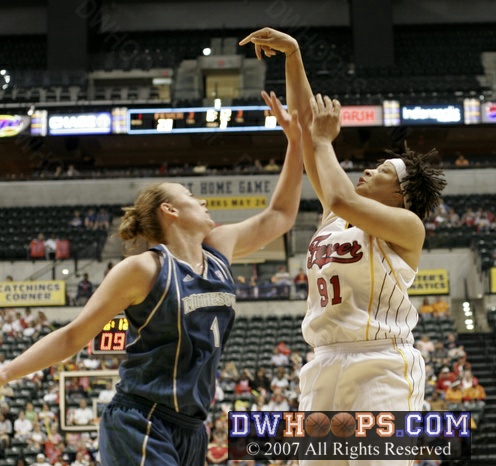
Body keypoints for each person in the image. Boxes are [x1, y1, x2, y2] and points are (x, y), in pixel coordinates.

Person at [0, 90, 303, 466]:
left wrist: (296, 142)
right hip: (141, 419)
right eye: (192, 195)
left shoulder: (220, 249)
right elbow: (74, 335)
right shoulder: (144, 268)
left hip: (192, 427)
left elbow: (281, 215)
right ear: (170, 210)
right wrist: (6, 372)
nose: (203, 201)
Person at [240, 23, 446, 438]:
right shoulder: (335, 220)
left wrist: (320, 141)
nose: (369, 169)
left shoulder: (407, 226)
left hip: (382, 365)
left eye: (384, 170)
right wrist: (294, 55)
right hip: (322, 363)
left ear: (401, 193)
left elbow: (335, 188)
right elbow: (305, 127)